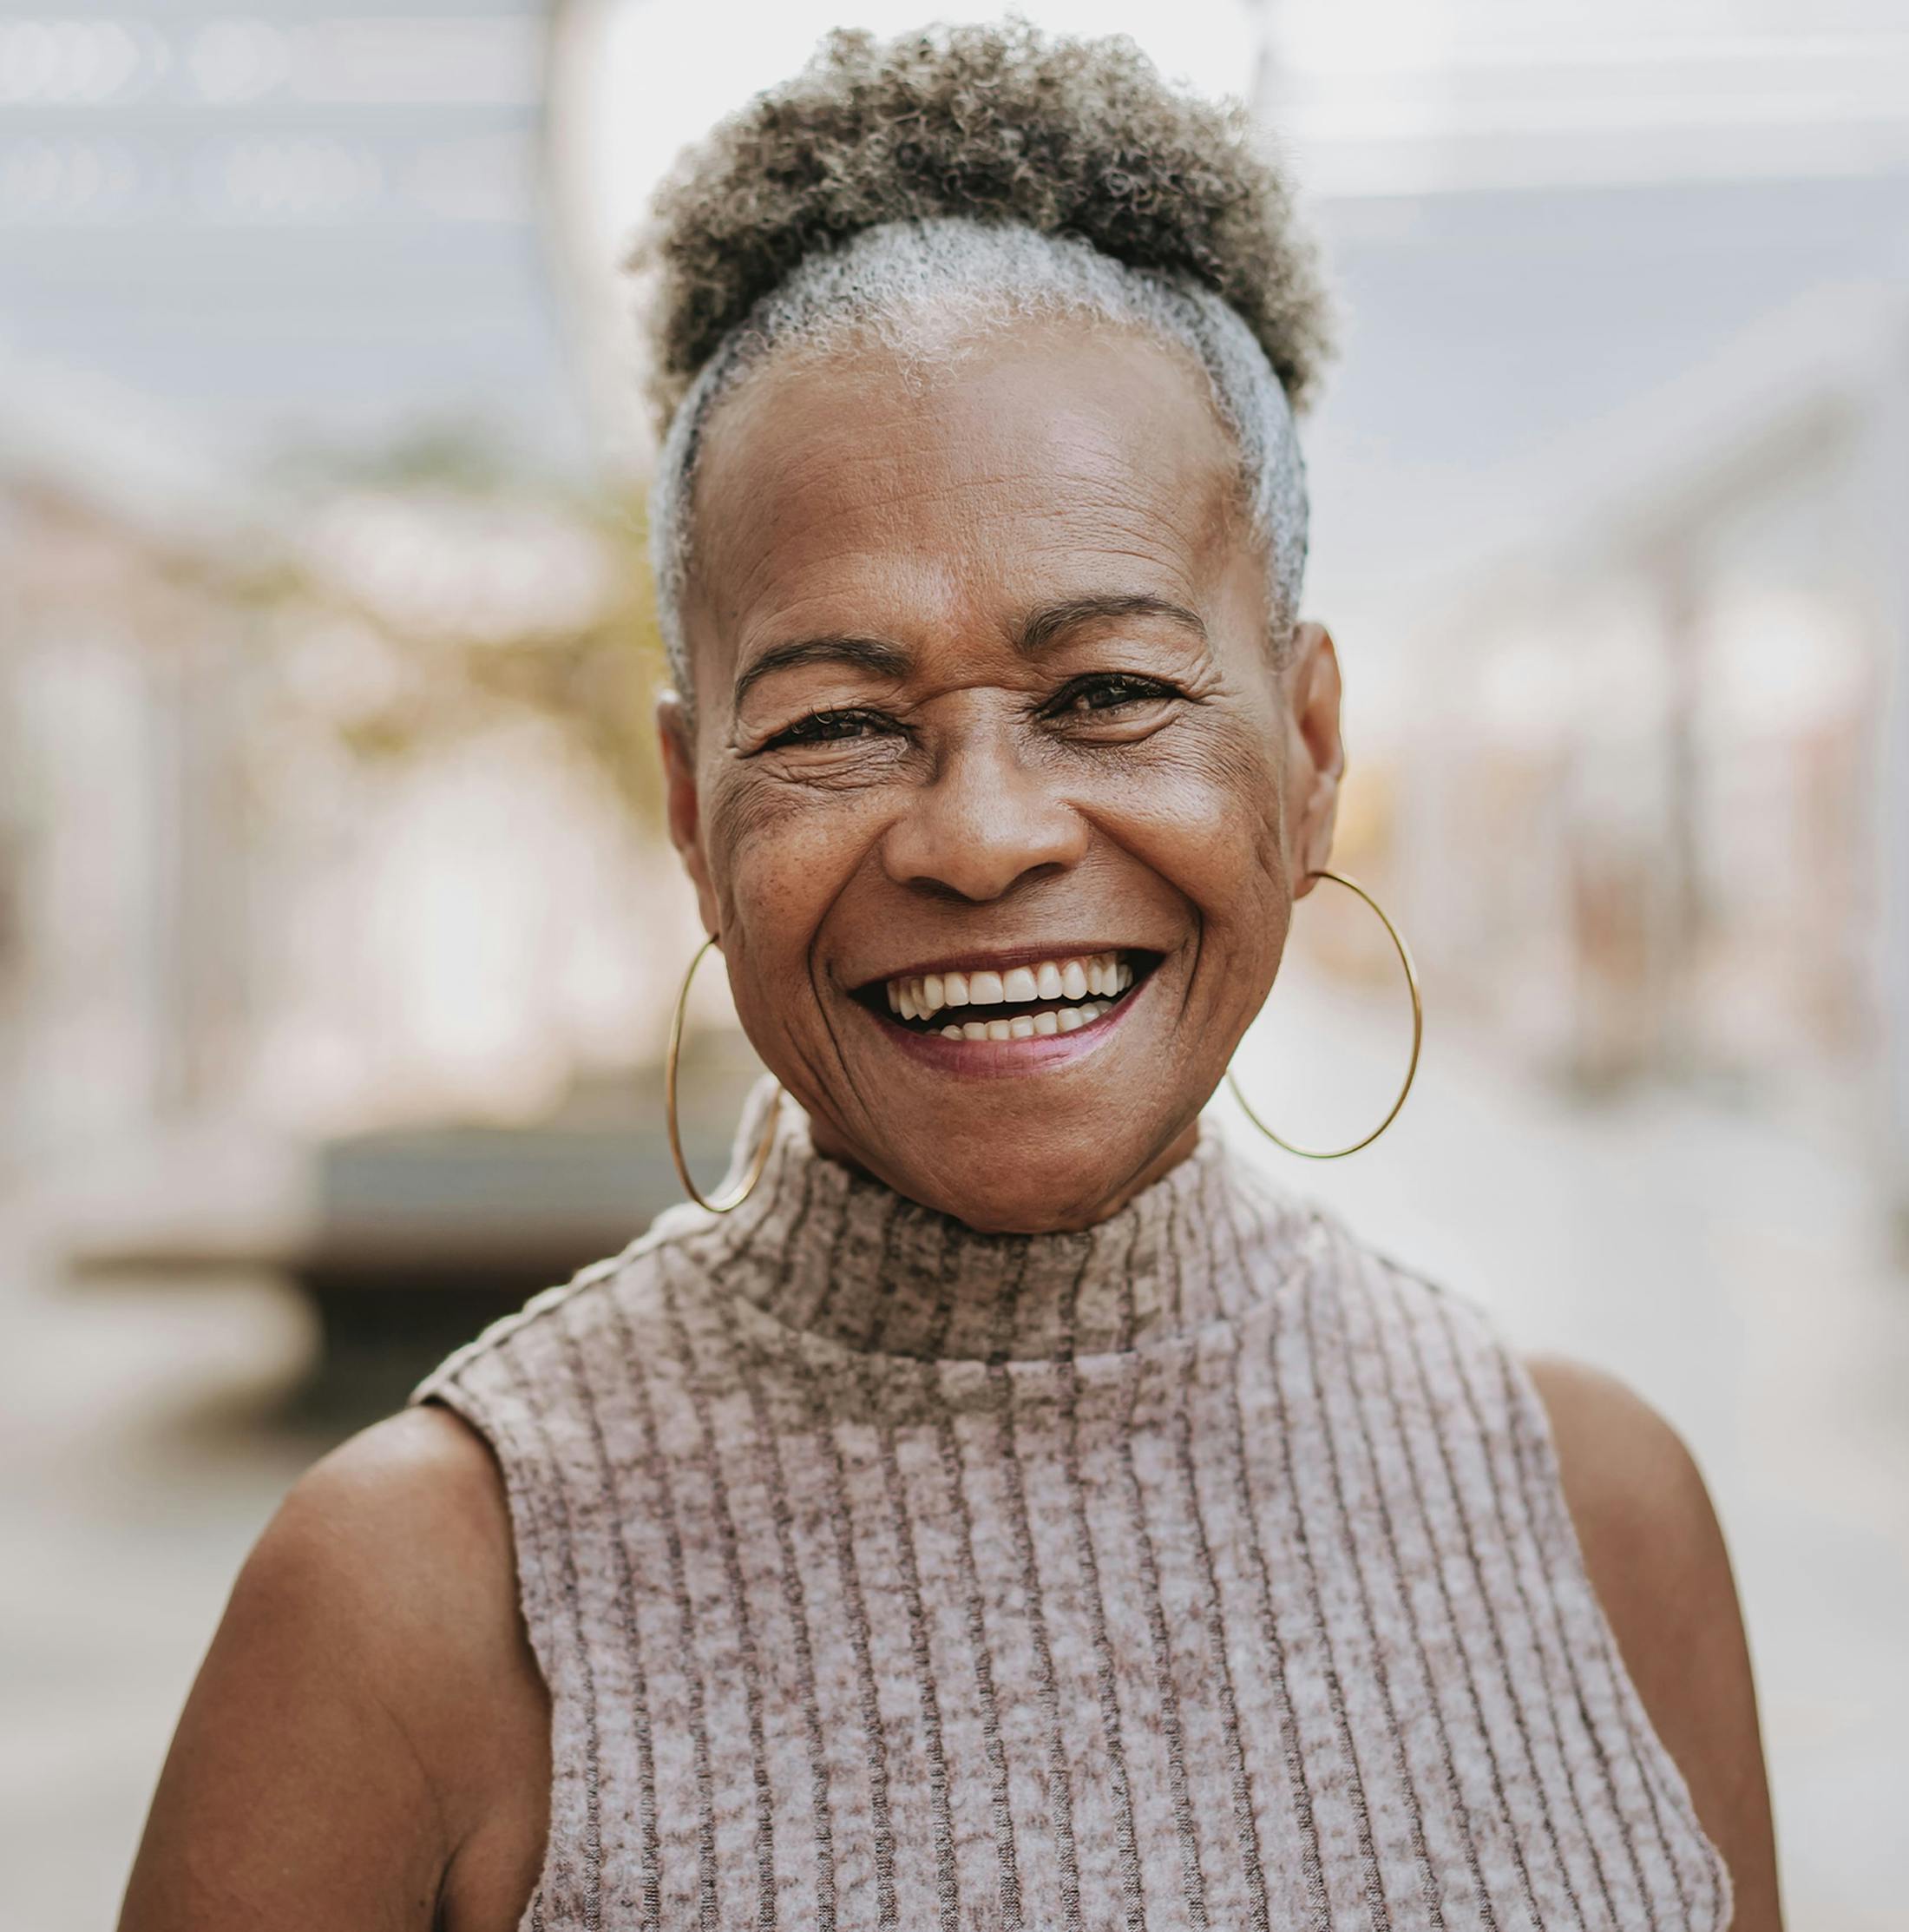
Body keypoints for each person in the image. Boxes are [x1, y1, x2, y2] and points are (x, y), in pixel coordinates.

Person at [120, 23, 1781, 1931]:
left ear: (1310, 749)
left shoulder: (1589, 1512)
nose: (979, 834)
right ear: (689, 800)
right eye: (837, 721)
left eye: (1109, 694)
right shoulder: (417, 1594)